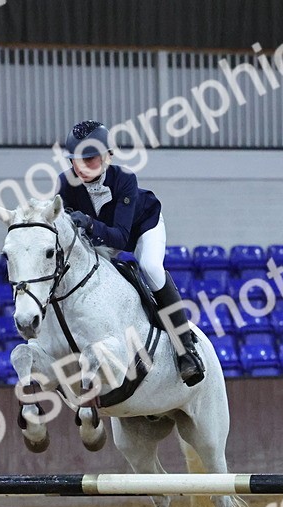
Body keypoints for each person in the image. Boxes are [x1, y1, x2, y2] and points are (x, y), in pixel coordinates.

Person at [57, 120, 205, 386]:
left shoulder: (125, 180)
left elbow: (121, 237)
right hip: (99, 238)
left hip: (142, 227)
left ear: (107, 156)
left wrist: (89, 223)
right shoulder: (65, 184)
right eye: (75, 161)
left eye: (89, 159)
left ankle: (186, 350)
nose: (81, 167)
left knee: (149, 267)